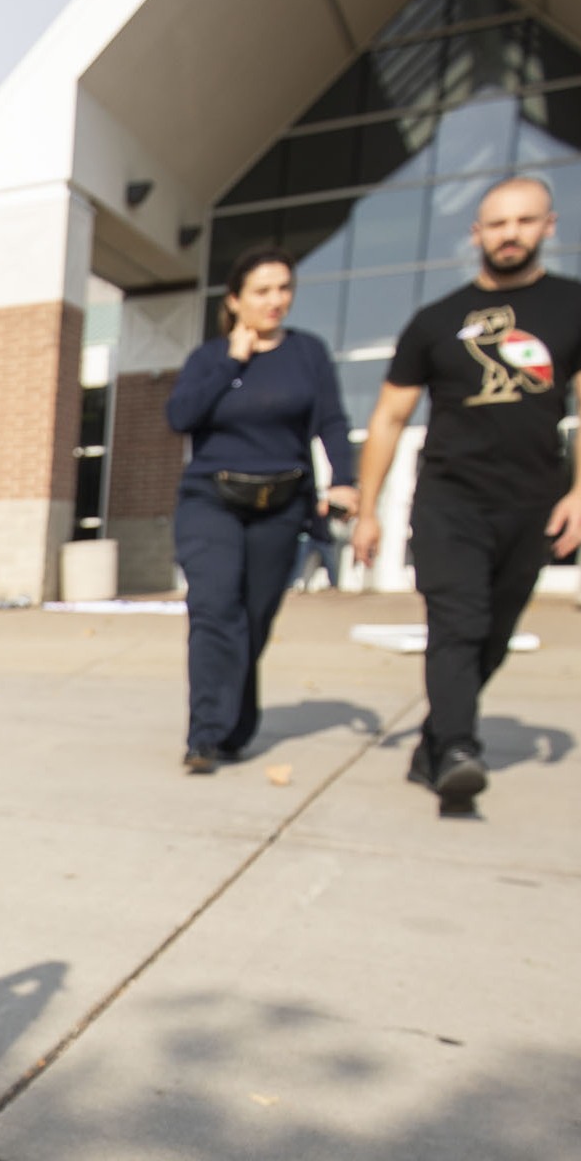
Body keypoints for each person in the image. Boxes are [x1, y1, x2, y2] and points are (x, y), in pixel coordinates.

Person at [351, 174, 581, 809]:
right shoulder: (436, 321)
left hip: (531, 498)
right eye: (497, 224)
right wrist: (367, 511)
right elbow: (389, 418)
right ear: (476, 234)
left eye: (524, 221)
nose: (510, 234)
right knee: (458, 624)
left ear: (548, 226)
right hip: (450, 497)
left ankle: (434, 741)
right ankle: (459, 751)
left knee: (494, 634)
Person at [165, 247, 359, 772]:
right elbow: (180, 416)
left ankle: (235, 728)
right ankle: (205, 734)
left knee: (252, 620)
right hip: (212, 499)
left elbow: (332, 422)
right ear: (235, 300)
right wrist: (234, 360)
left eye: (283, 289)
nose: (275, 301)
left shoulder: (307, 354)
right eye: (262, 291)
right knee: (215, 610)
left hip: (281, 503)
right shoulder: (210, 359)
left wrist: (345, 482)